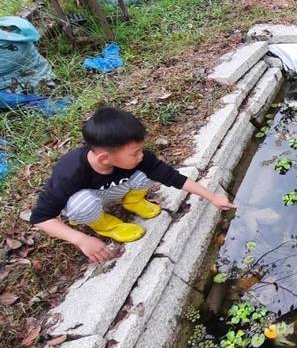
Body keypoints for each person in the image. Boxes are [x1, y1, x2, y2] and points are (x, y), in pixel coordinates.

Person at [30, 107, 234, 263]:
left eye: (140, 150)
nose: (141, 155)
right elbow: (41, 217)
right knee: (80, 203)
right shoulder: (70, 171)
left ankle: (133, 201)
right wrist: (80, 239)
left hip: (112, 190)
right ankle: (106, 225)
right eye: (134, 153)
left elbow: (171, 177)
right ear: (104, 158)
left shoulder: (136, 159)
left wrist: (212, 197)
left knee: (147, 171)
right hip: (89, 200)